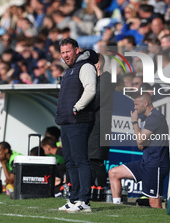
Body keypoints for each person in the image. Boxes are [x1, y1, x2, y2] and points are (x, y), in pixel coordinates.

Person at [55, 38, 97, 212]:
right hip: (66, 121)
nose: (65, 55)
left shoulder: (85, 66)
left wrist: (76, 107)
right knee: (70, 161)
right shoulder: (69, 71)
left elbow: (91, 89)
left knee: (80, 160)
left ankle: (84, 201)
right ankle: (73, 199)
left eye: (68, 51)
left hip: (79, 120)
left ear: (76, 50)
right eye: (63, 52)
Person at [108, 92, 170, 208]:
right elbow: (140, 145)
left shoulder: (155, 117)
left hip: (156, 164)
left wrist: (135, 122)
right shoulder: (148, 118)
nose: (134, 107)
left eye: (136, 104)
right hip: (146, 162)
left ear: (145, 103)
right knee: (113, 173)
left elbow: (140, 141)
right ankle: (117, 206)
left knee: (154, 201)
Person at [88, 53, 115, 187]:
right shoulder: (96, 81)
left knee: (95, 161)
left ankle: (100, 191)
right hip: (93, 127)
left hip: (98, 128)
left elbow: (95, 100)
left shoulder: (105, 80)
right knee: (90, 160)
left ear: (98, 65)